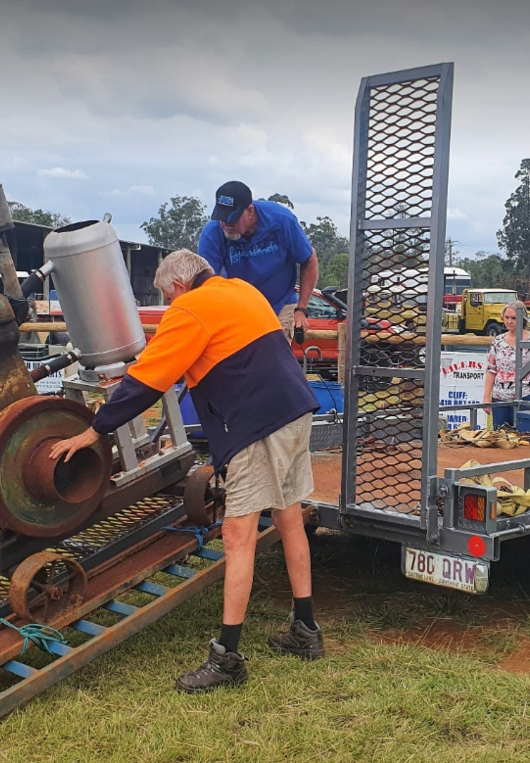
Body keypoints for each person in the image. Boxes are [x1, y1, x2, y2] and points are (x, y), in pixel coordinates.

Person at [49, 249, 324, 694]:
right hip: (294, 411)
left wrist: (94, 431)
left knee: (237, 536)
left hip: (260, 425)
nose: (168, 303)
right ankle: (306, 631)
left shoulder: (190, 309)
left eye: (164, 295)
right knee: (290, 515)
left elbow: (146, 381)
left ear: (177, 286)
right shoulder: (240, 290)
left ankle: (227, 659)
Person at [197, 180, 318, 341]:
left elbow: (309, 259)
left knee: (273, 359)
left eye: (232, 219)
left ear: (250, 211)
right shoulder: (212, 233)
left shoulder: (281, 220)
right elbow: (206, 281)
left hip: (281, 304)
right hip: (238, 308)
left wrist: (301, 309)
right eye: (222, 218)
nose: (226, 225)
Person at [482, 301, 530, 429]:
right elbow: (491, 369)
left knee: (525, 434)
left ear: (522, 319)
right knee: (500, 436)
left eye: (513, 318)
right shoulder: (498, 341)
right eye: (506, 317)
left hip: (525, 396)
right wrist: (486, 398)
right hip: (499, 397)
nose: (509, 321)